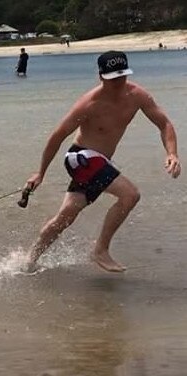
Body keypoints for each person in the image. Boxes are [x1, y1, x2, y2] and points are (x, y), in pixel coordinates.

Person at [21, 50, 181, 274]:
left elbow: (164, 123)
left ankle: (28, 261)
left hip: (98, 161)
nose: (118, 82)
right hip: (81, 158)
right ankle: (100, 250)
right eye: (112, 78)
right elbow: (57, 136)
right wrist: (40, 173)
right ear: (101, 77)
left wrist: (172, 153)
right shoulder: (89, 104)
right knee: (130, 195)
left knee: (66, 216)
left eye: (122, 76)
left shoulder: (138, 95)